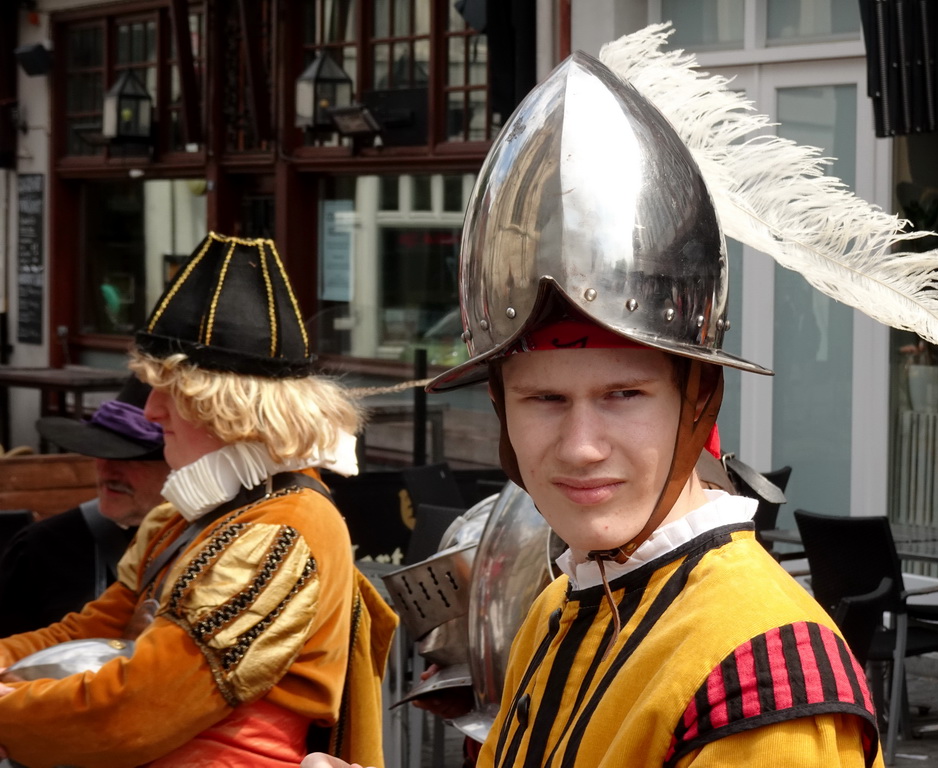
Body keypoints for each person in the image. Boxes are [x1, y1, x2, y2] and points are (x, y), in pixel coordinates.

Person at [307, 48, 884, 768]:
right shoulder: (560, 604)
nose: (581, 446)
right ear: (502, 407)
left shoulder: (760, 677)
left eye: (623, 396)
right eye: (545, 399)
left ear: (697, 400)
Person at [0, 232, 397, 767]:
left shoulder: (282, 532)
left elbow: (137, 712)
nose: (152, 412)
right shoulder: (190, 514)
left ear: (232, 409)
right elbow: (96, 630)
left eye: (173, 393)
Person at [0, 375, 169, 636]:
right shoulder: (41, 549)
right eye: (101, 451)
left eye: (132, 458)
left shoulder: (217, 543)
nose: (107, 468)